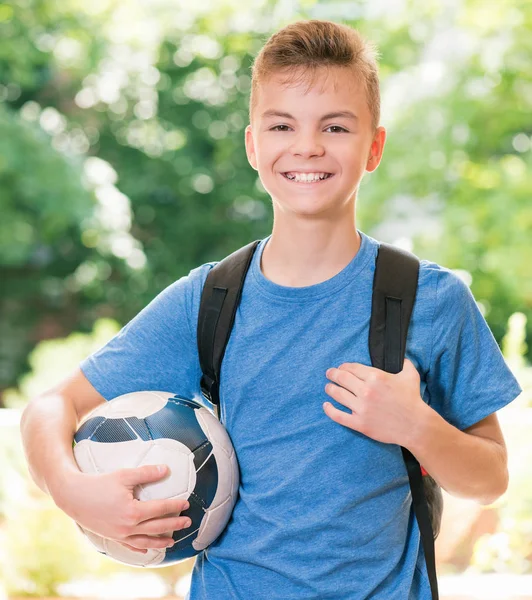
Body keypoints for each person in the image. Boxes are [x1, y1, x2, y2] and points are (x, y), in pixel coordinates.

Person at [20, 19, 522, 600]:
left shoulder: (427, 300)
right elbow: (51, 407)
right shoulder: (208, 300)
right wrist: (69, 489)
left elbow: (490, 479)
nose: (307, 146)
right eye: (282, 125)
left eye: (335, 126)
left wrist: (416, 426)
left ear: (374, 148)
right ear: (254, 145)